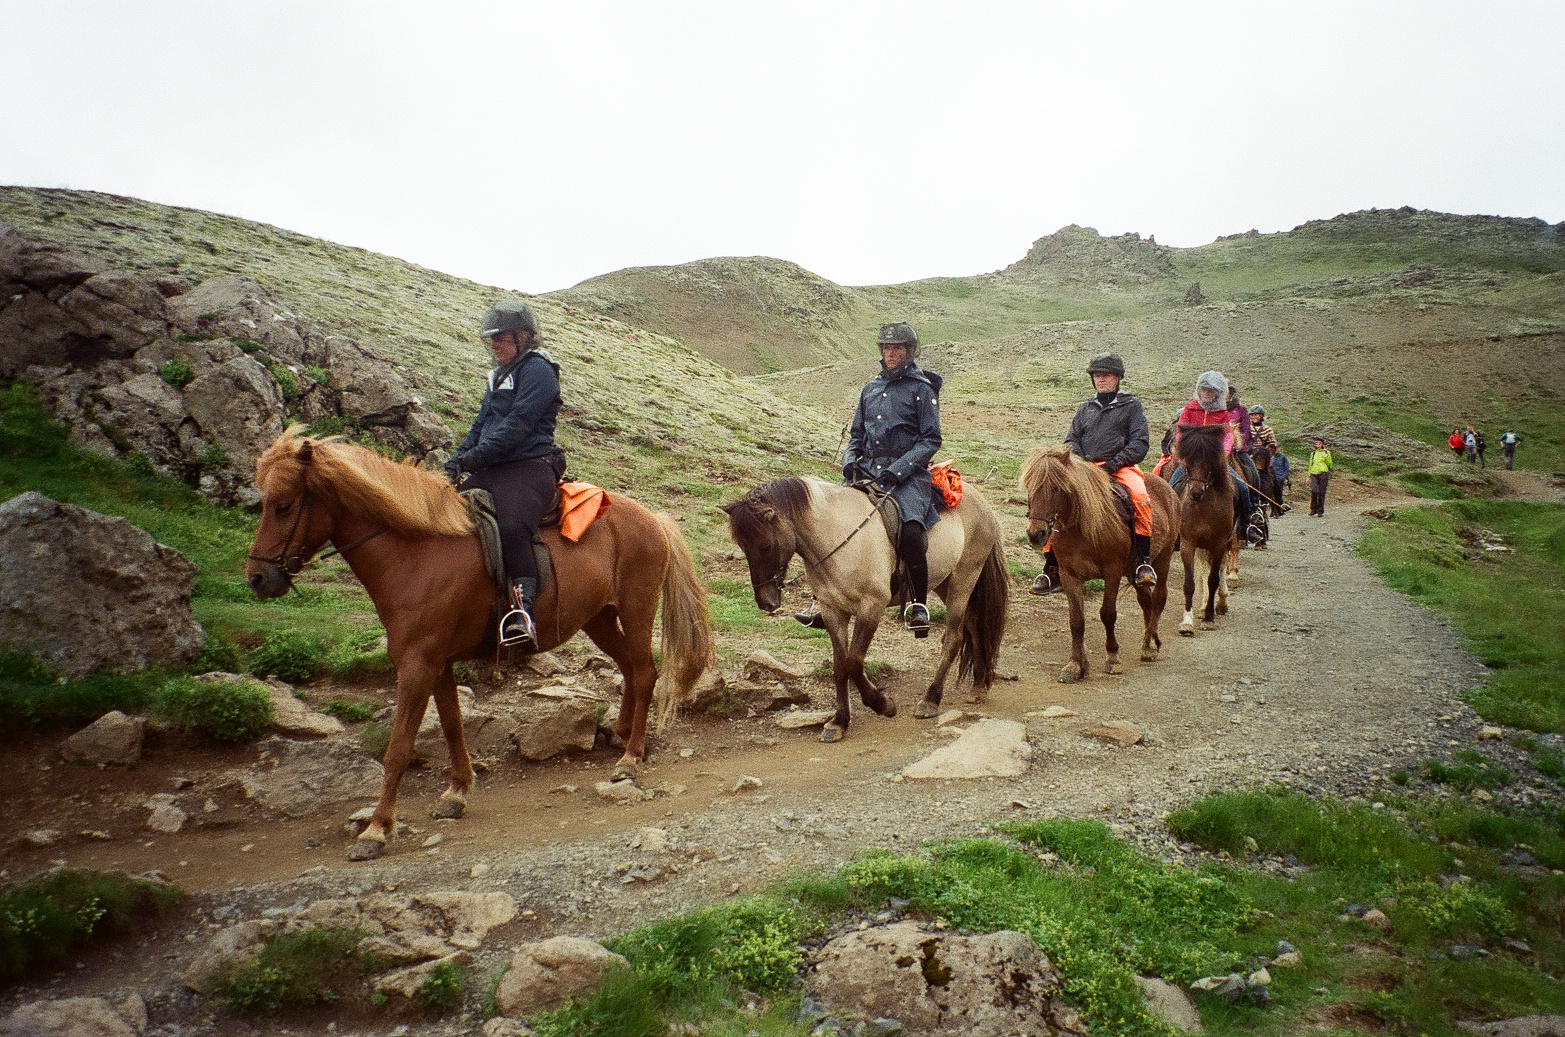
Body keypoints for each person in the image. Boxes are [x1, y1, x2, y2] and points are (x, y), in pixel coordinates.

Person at [798, 322, 942, 634]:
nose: (891, 353)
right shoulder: (870, 389)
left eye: (898, 348)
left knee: (913, 530)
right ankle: (822, 600)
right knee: (831, 523)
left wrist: (898, 470)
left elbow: (931, 440)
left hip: (908, 475)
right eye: (887, 348)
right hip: (868, 471)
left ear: (909, 352)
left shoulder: (922, 389)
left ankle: (918, 603)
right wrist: (850, 461)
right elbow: (856, 436)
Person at [445, 301, 565, 650]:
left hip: (530, 466)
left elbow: (517, 426)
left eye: (500, 337)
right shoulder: (498, 376)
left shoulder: (539, 371)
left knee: (512, 528)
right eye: (492, 338)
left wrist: (472, 459)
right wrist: (454, 462)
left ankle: (522, 613)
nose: (494, 344)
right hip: (492, 466)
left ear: (523, 336)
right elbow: (480, 425)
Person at [1031, 352, 1155, 594]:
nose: (1101, 380)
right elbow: (1071, 440)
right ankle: (1051, 568)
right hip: (1084, 470)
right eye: (1097, 376)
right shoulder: (1085, 408)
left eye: (1106, 375)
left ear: (1118, 378)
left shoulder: (1131, 406)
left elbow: (1139, 443)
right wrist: (1078, 461)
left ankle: (1143, 561)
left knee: (1140, 498)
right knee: (1054, 502)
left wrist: (1113, 464)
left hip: (1119, 468)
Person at [1168, 371, 1262, 542]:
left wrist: (1221, 455)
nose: (1206, 394)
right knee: (1170, 487)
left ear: (1217, 394)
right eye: (1204, 390)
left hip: (1213, 462)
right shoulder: (1190, 408)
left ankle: (1245, 526)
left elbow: (1227, 437)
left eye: (1210, 391)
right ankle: (1170, 527)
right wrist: (1183, 454)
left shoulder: (1222, 414)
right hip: (1192, 460)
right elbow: (1180, 433)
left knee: (1243, 488)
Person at [1307, 436, 1333, 516]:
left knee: (1322, 492)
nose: (1317, 444)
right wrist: (1308, 476)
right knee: (1314, 491)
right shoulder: (1313, 453)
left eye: (1319, 443)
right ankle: (1313, 509)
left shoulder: (1326, 452)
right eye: (1316, 443)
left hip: (1323, 473)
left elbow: (1330, 464)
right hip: (1314, 473)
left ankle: (1320, 511)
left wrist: (1326, 458)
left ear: (1322, 444)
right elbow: (1310, 464)